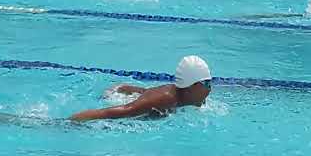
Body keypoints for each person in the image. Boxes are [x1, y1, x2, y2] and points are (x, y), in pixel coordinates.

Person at [69, 55, 212, 122]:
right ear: (191, 86)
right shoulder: (166, 98)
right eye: (206, 84)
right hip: (122, 99)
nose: (210, 89)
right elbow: (117, 111)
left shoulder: (191, 97)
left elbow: (145, 93)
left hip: (135, 93)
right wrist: (69, 122)